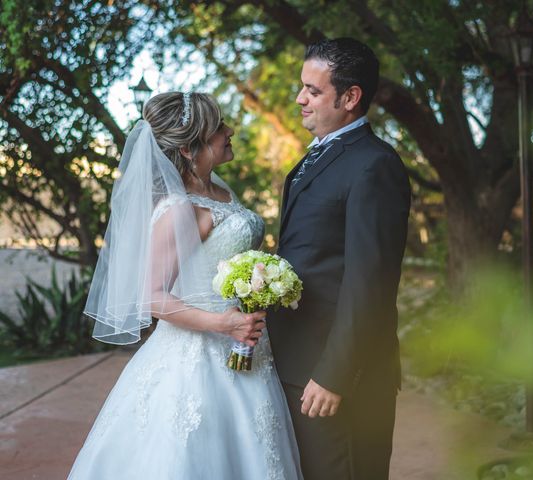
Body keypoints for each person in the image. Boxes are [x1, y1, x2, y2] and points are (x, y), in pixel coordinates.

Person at [68, 92, 303, 480]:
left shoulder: (221, 193)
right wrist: (223, 325)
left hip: (247, 347)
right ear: (191, 148)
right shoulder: (181, 209)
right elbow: (150, 296)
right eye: (218, 129)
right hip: (199, 356)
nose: (229, 131)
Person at [267, 38, 411, 480]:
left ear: (350, 98)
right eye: (301, 87)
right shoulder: (318, 157)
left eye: (313, 90)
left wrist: (334, 374)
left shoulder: (374, 165)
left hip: (339, 377)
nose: (299, 99)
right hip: (297, 363)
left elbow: (369, 281)